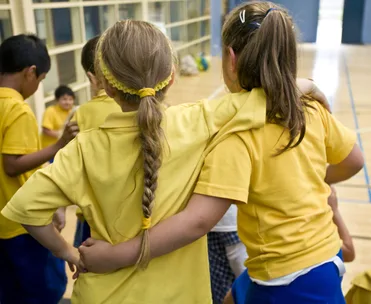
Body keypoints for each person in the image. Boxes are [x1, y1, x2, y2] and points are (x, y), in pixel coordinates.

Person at [1, 21, 326, 303]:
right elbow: (271, 95)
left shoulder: (82, 149)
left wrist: (69, 253)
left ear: (105, 85)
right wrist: (310, 86)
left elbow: (26, 210)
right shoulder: (198, 120)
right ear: (171, 77)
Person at [70, 3, 364, 304]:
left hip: (285, 278)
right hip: (326, 255)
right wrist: (309, 176)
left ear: (231, 60)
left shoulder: (235, 134)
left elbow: (196, 222)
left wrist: (117, 255)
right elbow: (354, 160)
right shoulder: (310, 108)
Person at [0, 34, 78, 304]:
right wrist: (60, 145)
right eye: (42, 79)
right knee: (44, 288)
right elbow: (12, 166)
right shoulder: (17, 110)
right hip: (19, 224)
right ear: (30, 72)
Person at [226, 185, 355, 304]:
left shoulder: (251, 278)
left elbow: (229, 299)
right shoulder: (318, 247)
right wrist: (334, 210)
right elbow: (349, 252)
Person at [72, 35, 121, 248]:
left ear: (92, 78)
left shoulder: (82, 114)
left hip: (92, 217)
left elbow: (71, 169)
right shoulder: (148, 110)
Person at [41, 85, 75, 149]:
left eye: (70, 99)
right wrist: (62, 135)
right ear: (57, 99)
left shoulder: (74, 110)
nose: (68, 102)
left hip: (66, 147)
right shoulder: (50, 111)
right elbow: (46, 130)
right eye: (64, 99)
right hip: (50, 149)